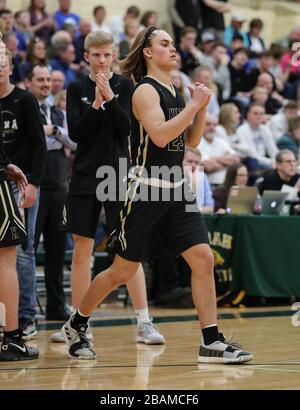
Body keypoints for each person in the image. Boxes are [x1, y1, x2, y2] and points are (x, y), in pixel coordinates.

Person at [62, 27, 253, 363]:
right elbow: (162, 137)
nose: (173, 48)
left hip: (177, 189)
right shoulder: (144, 92)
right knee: (121, 271)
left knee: (203, 259)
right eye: (165, 44)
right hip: (147, 189)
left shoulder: (174, 90)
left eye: (173, 43)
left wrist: (201, 106)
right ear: (148, 52)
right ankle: (77, 324)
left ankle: (211, 341)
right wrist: (193, 105)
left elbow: (189, 142)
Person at [51, 31, 164, 345]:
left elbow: (127, 127)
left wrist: (111, 100)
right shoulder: (76, 88)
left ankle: (144, 321)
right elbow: (77, 133)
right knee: (82, 250)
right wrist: (97, 104)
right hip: (85, 175)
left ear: (114, 55)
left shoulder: (126, 86)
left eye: (106, 54)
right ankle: (78, 320)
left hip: (118, 173)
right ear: (86, 56)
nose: (101, 60)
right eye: (96, 55)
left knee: (128, 251)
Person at [0, 47, 47, 341]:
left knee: (22, 254)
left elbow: (40, 145)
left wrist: (33, 184)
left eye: (4, 59)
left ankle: (25, 317)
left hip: (21, 185)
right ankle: (8, 322)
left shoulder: (24, 100)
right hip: (2, 183)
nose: (1, 64)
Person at [25, 64, 76, 321]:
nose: (45, 84)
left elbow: (72, 141)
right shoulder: (26, 108)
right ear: (29, 82)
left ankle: (57, 307)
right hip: (35, 186)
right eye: (40, 79)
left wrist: (54, 131)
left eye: (48, 79)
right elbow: (34, 140)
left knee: (57, 250)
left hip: (58, 186)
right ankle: (26, 309)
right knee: (29, 250)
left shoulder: (58, 112)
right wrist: (53, 135)